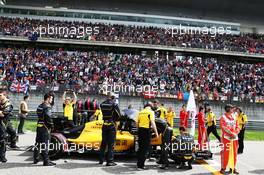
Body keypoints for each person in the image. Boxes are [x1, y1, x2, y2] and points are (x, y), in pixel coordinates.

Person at [33, 92, 56, 166]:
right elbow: (48, 117)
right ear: (48, 98)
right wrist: (52, 125)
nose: (52, 100)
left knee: (37, 143)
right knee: (45, 144)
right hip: (45, 127)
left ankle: (35, 158)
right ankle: (46, 161)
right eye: (51, 98)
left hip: (39, 126)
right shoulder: (47, 107)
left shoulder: (40, 106)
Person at [99, 92, 121, 166]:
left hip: (104, 124)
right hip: (111, 125)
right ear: (112, 97)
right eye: (114, 98)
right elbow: (119, 115)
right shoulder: (114, 104)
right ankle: (110, 161)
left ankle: (101, 160)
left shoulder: (102, 104)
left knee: (103, 143)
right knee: (111, 144)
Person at [136, 102, 159, 170]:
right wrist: (156, 133)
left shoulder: (140, 112)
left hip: (140, 130)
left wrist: (139, 129)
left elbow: (137, 122)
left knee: (141, 148)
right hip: (146, 131)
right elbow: (152, 122)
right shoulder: (151, 112)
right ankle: (141, 165)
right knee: (145, 148)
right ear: (150, 106)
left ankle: (139, 164)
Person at [219, 105, 240, 174]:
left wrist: (235, 133)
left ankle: (232, 167)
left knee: (234, 153)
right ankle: (223, 168)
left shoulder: (234, 117)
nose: (233, 109)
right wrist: (231, 133)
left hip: (234, 138)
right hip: (226, 138)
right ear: (228, 109)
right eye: (231, 108)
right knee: (225, 153)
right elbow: (224, 127)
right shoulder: (223, 117)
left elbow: (237, 126)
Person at [0, 91, 18, 163]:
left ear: (4, 96)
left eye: (0, 95)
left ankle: (3, 156)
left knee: (11, 133)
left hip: (5, 123)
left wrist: (1, 112)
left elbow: (3, 114)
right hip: (1, 123)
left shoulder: (8, 104)